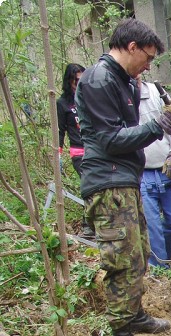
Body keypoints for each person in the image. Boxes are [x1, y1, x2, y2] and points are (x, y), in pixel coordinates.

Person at [75, 18, 171, 336]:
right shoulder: (98, 79)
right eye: (148, 58)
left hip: (122, 179)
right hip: (106, 182)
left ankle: (133, 315)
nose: (149, 66)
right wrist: (158, 126)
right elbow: (108, 139)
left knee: (138, 253)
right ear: (131, 47)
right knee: (121, 260)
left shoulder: (123, 81)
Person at [136, 75, 171, 269]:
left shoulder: (156, 93)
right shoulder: (120, 98)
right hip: (142, 174)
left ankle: (161, 259)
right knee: (152, 228)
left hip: (167, 171)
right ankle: (160, 270)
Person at [57, 63, 94, 238]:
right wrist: (57, 153)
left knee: (101, 185)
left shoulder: (92, 97)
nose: (80, 83)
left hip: (97, 148)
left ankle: (97, 221)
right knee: (90, 184)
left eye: (83, 79)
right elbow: (60, 129)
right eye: (76, 80)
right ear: (69, 81)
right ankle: (88, 225)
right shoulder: (63, 103)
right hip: (79, 151)